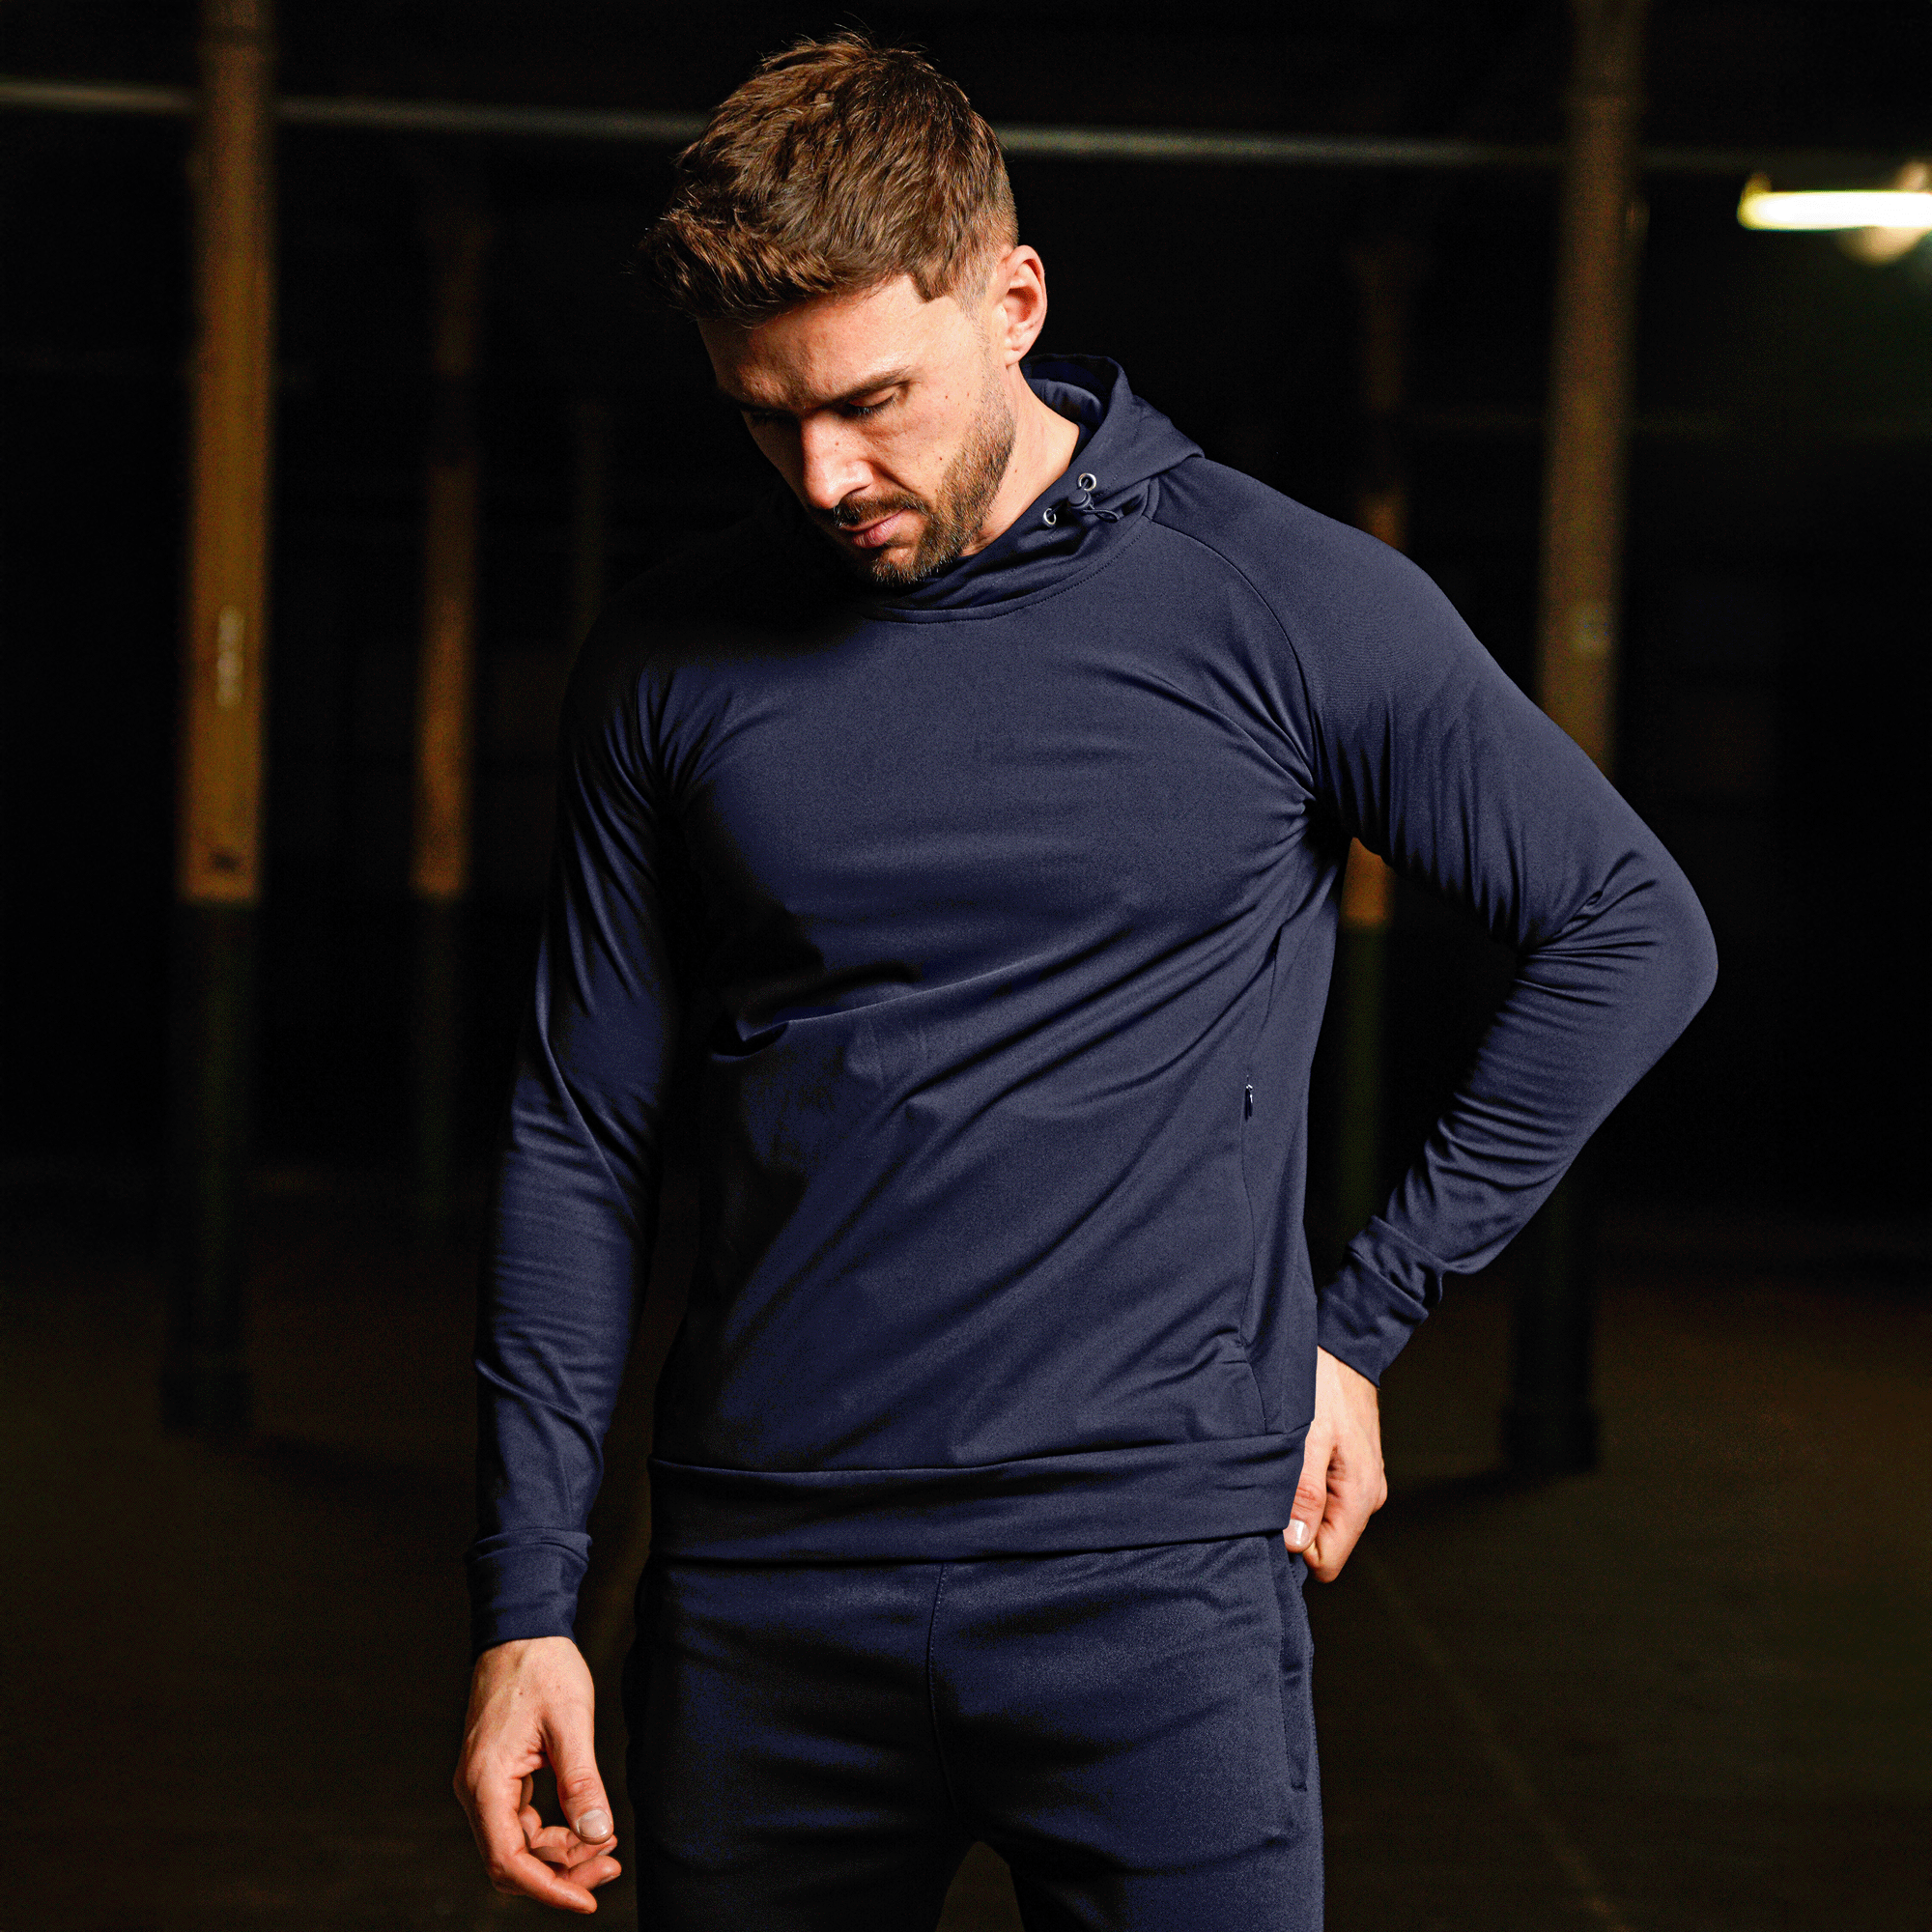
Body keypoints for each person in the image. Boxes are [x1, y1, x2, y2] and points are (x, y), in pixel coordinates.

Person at [451, 28, 1717, 1929]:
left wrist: (1361, 1321)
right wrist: (527, 1602)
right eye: (765, 417)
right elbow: (577, 1132)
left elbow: (1629, 927)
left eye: (871, 399)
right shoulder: (669, 660)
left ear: (1014, 302)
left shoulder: (1280, 602)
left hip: (1156, 1596)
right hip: (768, 1599)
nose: (824, 473)